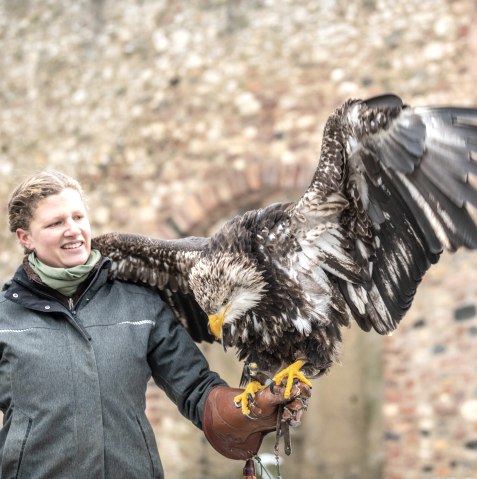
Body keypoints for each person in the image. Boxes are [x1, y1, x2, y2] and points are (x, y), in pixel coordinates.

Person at [0, 170, 309, 478]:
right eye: (56, 223)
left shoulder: (139, 304)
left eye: (78, 217)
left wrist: (250, 410)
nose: (73, 230)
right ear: (25, 237)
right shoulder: (5, 318)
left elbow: (196, 389)